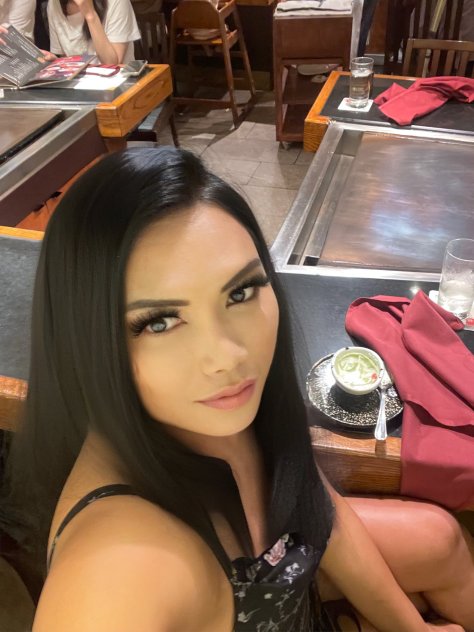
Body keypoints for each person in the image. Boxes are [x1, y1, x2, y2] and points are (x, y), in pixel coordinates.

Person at [3, 147, 474, 632]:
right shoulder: (121, 566)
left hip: (287, 581)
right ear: (84, 339)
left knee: (442, 538)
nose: (228, 356)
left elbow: (312, 502)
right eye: (160, 321)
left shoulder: (225, 410)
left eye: (240, 292)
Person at [46, 0, 141, 64]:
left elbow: (112, 63)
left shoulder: (117, 2)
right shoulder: (54, 4)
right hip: (78, 85)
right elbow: (67, 58)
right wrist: (58, 63)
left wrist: (90, 15)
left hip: (118, 83)